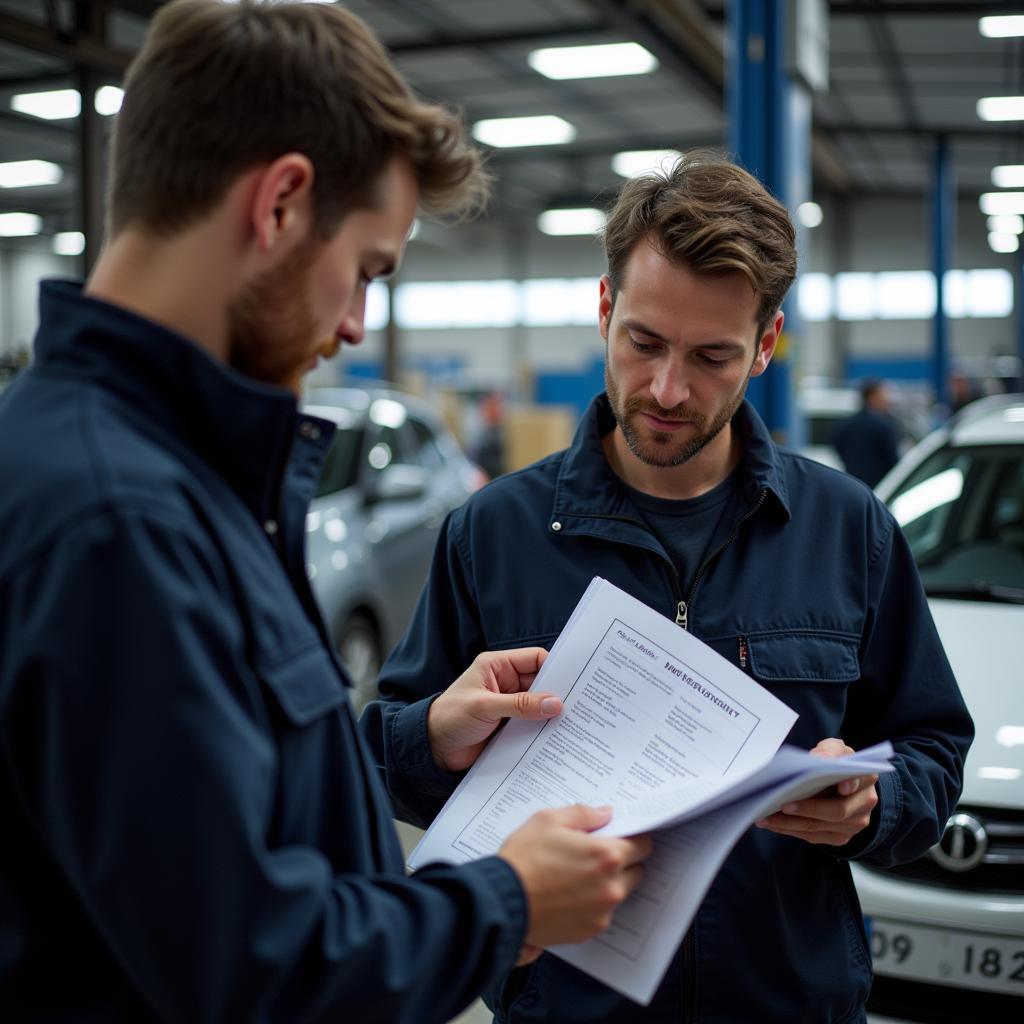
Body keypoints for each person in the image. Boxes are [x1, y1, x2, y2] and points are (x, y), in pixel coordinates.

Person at [0, 2, 652, 1021]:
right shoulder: (117, 519)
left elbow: (216, 792)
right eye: (366, 270)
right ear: (281, 204)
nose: (354, 324)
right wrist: (505, 898)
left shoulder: (150, 470)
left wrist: (416, 739)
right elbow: (254, 967)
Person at [364, 152, 974, 1023]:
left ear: (766, 345)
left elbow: (933, 749)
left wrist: (874, 806)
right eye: (643, 342)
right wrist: (433, 738)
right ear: (606, 309)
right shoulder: (491, 532)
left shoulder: (851, 531)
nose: (666, 389)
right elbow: (388, 757)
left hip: (788, 1003)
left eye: (712, 357)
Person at [831, 377, 902, 487]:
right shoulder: (882, 425)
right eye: (884, 395)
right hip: (881, 484)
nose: (887, 400)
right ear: (872, 397)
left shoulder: (846, 424)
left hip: (853, 482)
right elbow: (892, 458)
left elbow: (837, 446)